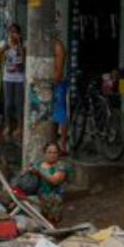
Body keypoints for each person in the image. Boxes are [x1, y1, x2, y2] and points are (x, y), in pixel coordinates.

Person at [27, 142, 69, 224]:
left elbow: (55, 181)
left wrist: (39, 173)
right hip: (37, 197)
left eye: (55, 152)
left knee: (51, 222)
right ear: (45, 153)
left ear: (58, 154)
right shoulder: (38, 164)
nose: (52, 155)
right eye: (49, 152)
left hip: (53, 200)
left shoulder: (61, 166)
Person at [1, 23, 25, 142]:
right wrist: (8, 46)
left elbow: (22, 64)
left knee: (19, 103)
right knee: (8, 103)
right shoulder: (5, 44)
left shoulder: (23, 45)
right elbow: (1, 54)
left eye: (15, 32)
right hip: (8, 77)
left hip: (19, 77)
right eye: (10, 32)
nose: (12, 34)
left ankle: (20, 127)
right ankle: (8, 125)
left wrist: (18, 45)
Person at [52, 25, 69, 154]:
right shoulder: (52, 46)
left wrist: (54, 82)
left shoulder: (58, 47)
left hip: (58, 83)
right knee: (54, 115)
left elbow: (59, 69)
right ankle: (54, 142)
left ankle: (63, 144)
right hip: (53, 82)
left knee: (60, 113)